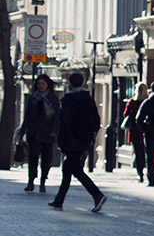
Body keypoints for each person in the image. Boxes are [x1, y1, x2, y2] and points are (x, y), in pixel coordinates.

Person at [48, 72, 107, 213]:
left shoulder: (68, 99)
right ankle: (59, 201)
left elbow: (65, 122)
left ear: (70, 83)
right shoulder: (88, 99)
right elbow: (97, 121)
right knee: (68, 169)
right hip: (84, 140)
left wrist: (62, 140)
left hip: (70, 140)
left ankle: (97, 194)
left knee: (76, 171)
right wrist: (90, 136)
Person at [21, 74, 60, 193]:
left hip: (47, 133)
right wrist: (23, 131)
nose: (41, 86)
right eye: (39, 84)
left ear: (47, 85)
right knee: (33, 158)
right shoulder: (33, 98)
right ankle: (31, 181)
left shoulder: (52, 98)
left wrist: (54, 130)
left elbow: (57, 116)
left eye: (43, 84)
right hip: (34, 132)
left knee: (46, 159)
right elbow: (27, 115)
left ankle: (43, 181)